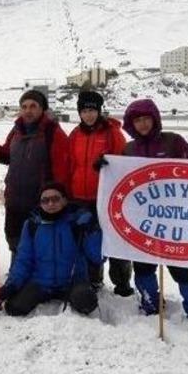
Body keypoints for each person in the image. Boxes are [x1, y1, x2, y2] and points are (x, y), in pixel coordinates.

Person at [116, 98, 188, 321]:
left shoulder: (173, 142)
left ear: (155, 119)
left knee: (182, 268)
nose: (143, 124)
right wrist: (106, 166)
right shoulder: (128, 149)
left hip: (174, 219)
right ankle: (150, 303)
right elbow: (119, 182)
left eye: (146, 118)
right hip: (142, 221)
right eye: (137, 120)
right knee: (143, 266)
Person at [0, 182, 100, 317]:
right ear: (40, 203)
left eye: (55, 199)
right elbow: (23, 260)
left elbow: (97, 257)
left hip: (72, 282)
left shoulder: (76, 223)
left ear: (64, 200)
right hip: (41, 283)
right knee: (14, 308)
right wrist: (10, 287)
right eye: (45, 200)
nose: (50, 204)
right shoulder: (32, 225)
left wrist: (92, 231)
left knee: (87, 303)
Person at [67, 90, 133, 295]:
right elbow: (70, 164)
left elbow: (123, 162)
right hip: (80, 198)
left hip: (107, 198)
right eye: (84, 111)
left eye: (92, 110)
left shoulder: (111, 133)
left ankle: (122, 283)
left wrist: (108, 164)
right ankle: (94, 279)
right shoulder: (75, 135)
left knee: (114, 240)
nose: (88, 115)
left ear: (99, 111)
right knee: (90, 241)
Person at [0, 90, 69, 255]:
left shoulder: (53, 132)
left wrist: (57, 200)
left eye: (33, 106)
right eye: (24, 106)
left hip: (40, 202)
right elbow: (7, 155)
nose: (28, 110)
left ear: (42, 109)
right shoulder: (16, 131)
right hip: (14, 199)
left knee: (39, 244)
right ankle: (16, 274)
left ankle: (36, 278)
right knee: (14, 239)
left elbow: (61, 169)